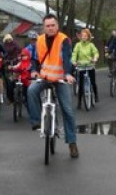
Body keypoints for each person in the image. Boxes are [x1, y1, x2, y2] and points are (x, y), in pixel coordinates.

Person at [26, 14, 79, 158]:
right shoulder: (40, 40)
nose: (50, 28)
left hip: (60, 78)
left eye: (52, 25)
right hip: (44, 77)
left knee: (67, 110)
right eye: (47, 26)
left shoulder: (63, 40)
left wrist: (68, 73)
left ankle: (72, 143)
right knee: (31, 91)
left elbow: (67, 58)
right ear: (44, 27)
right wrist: (34, 71)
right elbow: (35, 59)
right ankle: (37, 121)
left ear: (57, 26)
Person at [71, 28, 101, 104]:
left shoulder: (91, 45)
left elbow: (95, 52)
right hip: (81, 66)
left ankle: (96, 95)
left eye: (85, 36)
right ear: (81, 37)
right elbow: (74, 53)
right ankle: (79, 101)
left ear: (88, 37)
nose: (84, 37)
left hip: (90, 65)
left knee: (93, 82)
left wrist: (95, 58)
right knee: (80, 85)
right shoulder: (78, 45)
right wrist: (74, 61)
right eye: (82, 36)